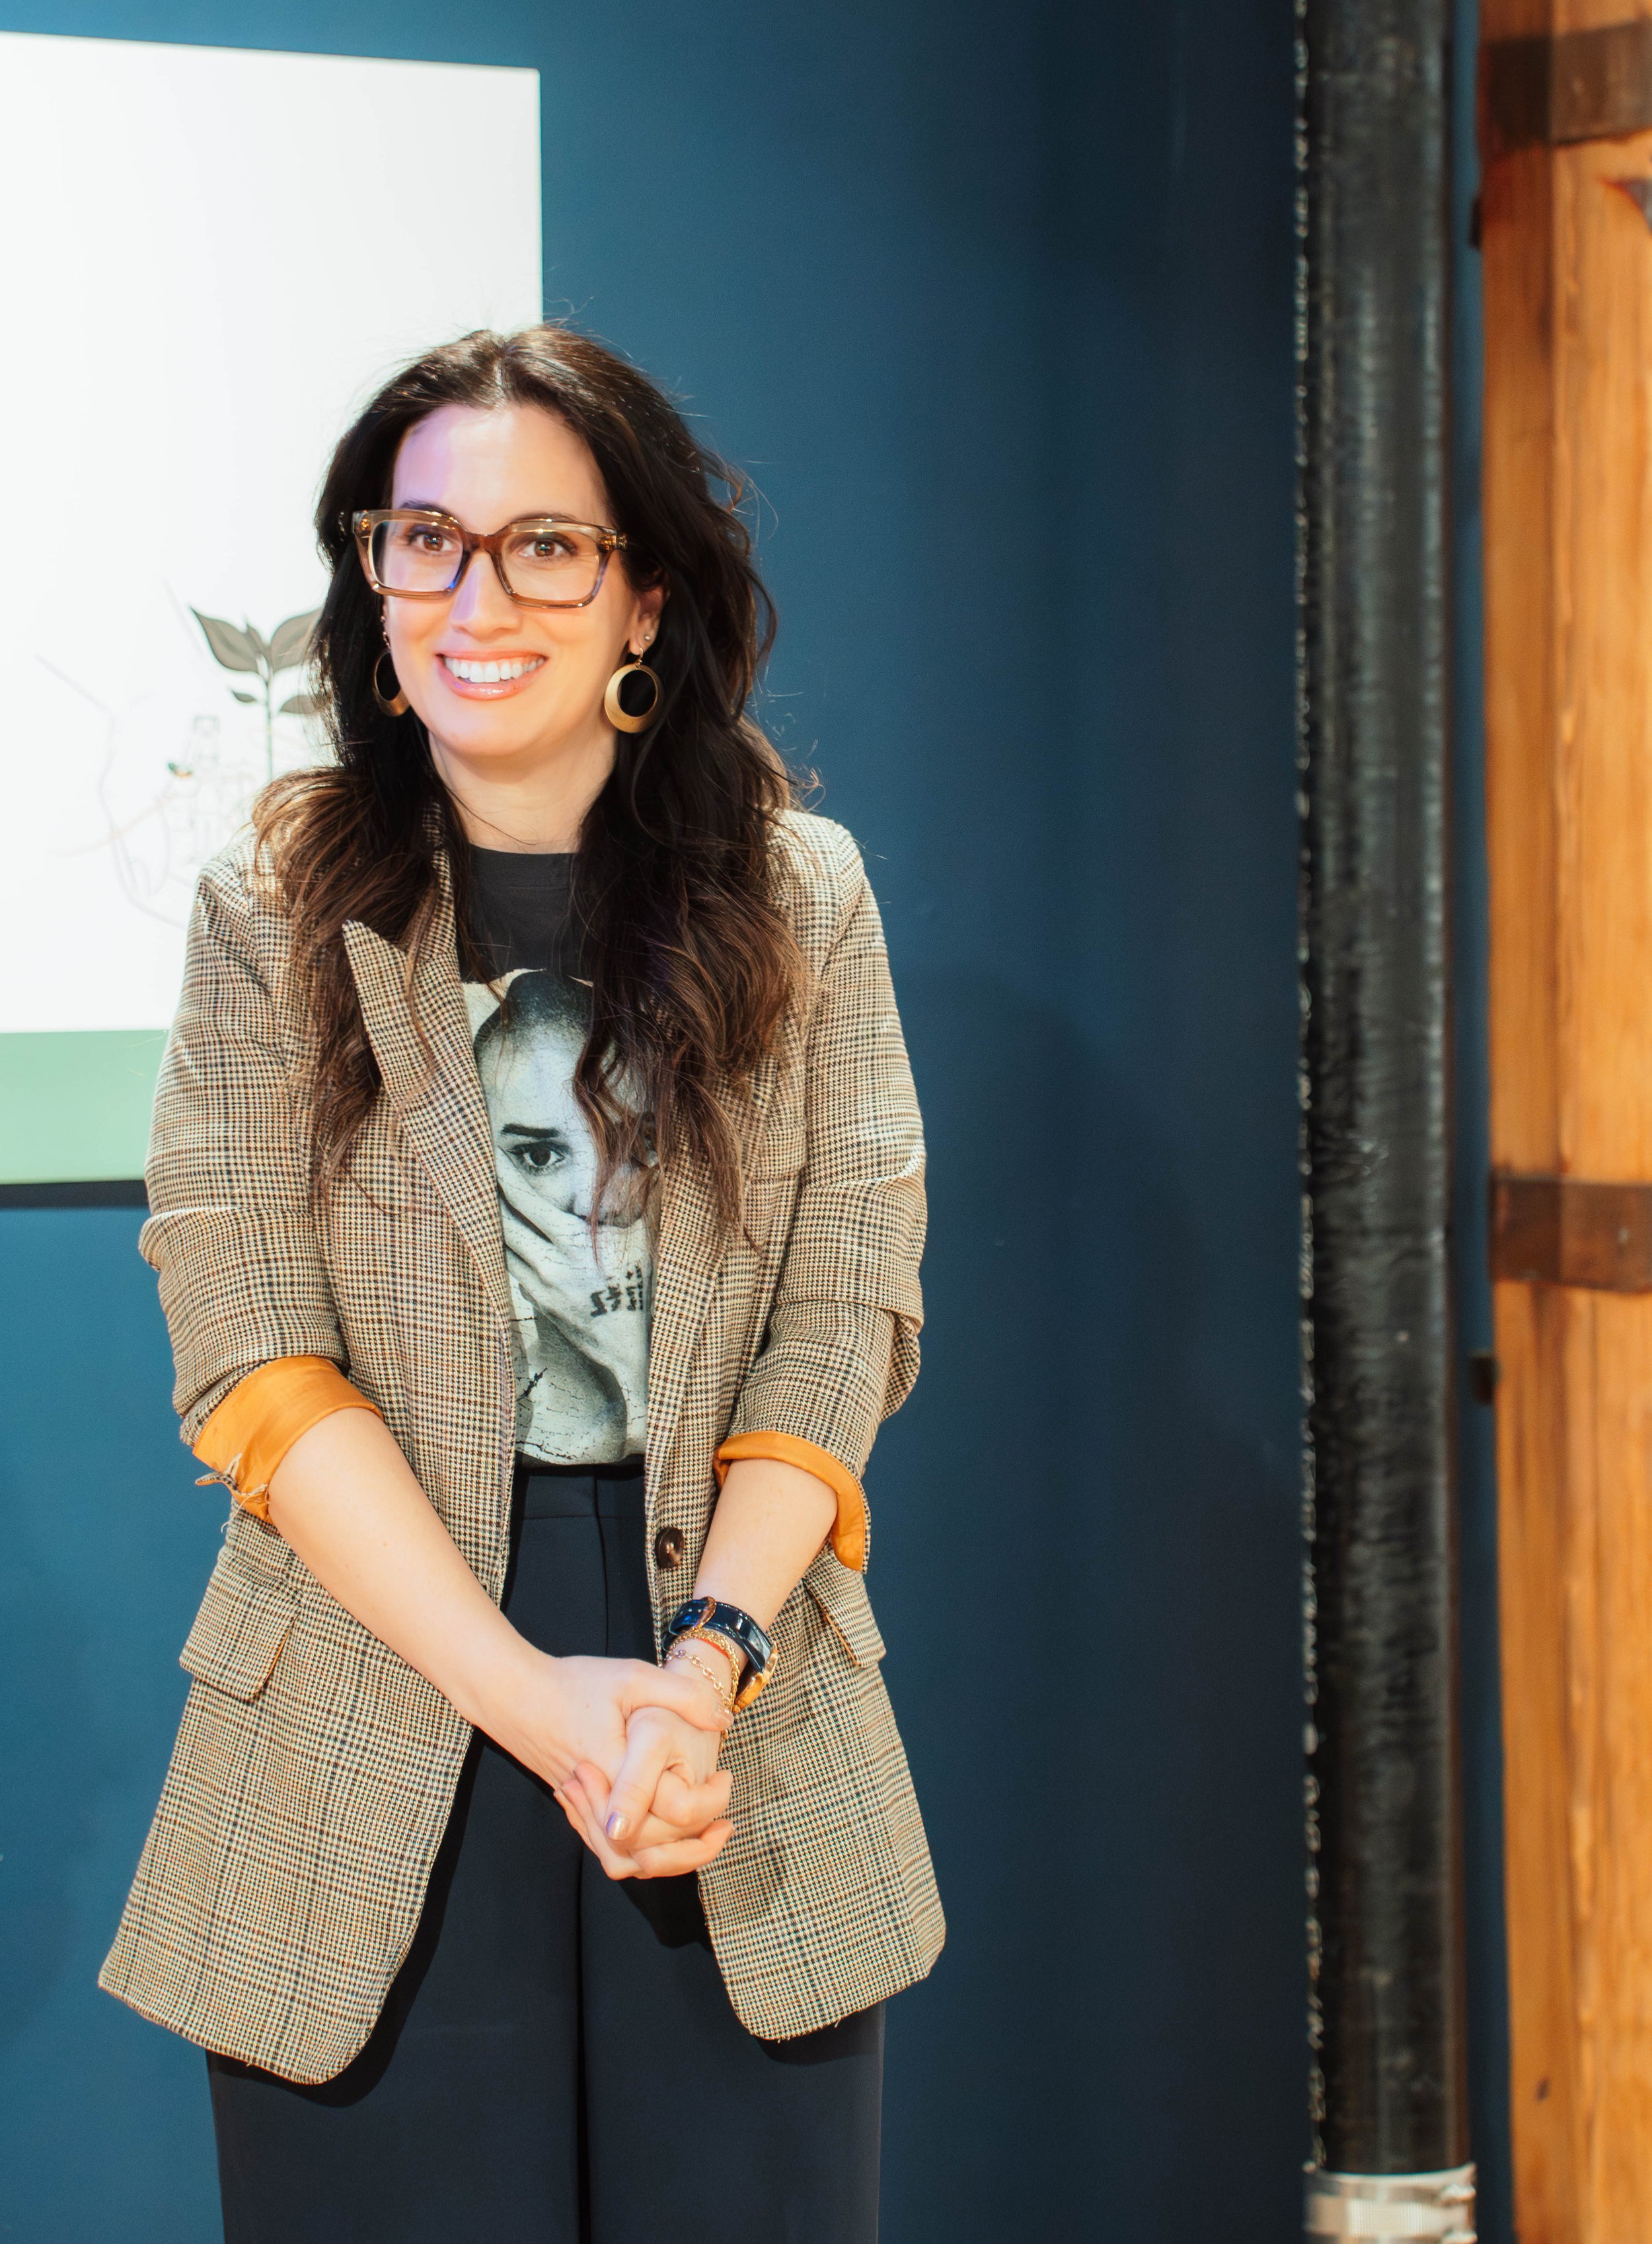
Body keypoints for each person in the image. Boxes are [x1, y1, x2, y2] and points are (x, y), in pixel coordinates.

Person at [99, 323, 942, 2243]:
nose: (475, 599)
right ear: (375, 582)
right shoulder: (273, 901)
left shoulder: (801, 895)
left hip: (726, 1702)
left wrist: (699, 1671)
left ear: (645, 595)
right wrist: (532, 1698)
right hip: (376, 1678)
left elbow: (846, 1305)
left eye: (544, 547)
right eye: (425, 542)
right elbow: (248, 1340)